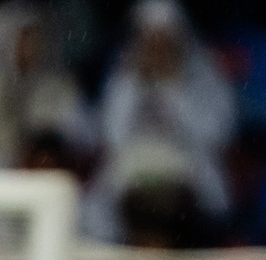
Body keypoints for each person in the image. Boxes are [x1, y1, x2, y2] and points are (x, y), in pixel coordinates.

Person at [83, 0, 234, 242]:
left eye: (164, 41)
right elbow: (111, 136)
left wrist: (171, 88)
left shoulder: (205, 74)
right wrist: (133, 85)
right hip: (133, 168)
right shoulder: (123, 77)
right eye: (150, 41)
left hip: (190, 165)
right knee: (94, 209)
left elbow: (216, 135)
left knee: (202, 207)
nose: (157, 49)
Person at [0, 0, 94, 172]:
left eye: (36, 40)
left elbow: (84, 144)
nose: (30, 49)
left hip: (48, 186)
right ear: (5, 42)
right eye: (23, 40)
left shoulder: (59, 92)